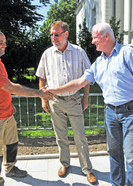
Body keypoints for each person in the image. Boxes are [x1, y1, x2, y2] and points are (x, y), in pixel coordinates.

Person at [46, 23, 133, 186]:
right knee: (114, 153)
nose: (93, 41)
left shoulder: (127, 53)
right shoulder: (99, 62)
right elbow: (79, 82)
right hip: (110, 112)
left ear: (106, 36)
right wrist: (54, 90)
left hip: (131, 111)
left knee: (132, 157)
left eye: (95, 37)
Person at [0, 30, 53, 186]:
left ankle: (10, 168)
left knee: (12, 143)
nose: (5, 46)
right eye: (1, 43)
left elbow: (1, 88)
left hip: (6, 113)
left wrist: (8, 105)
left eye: (5, 42)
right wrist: (39, 93)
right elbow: (12, 88)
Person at [35, 21, 97, 185]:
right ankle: (65, 164)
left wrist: (85, 97)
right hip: (54, 102)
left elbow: (88, 77)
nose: (53, 37)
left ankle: (87, 169)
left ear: (66, 34)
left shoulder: (78, 52)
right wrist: (43, 98)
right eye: (51, 34)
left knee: (80, 137)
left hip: (73, 100)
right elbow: (41, 77)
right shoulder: (47, 54)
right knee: (60, 136)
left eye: (57, 34)